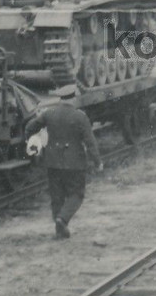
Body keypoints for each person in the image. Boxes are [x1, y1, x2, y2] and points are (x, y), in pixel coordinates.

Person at [25, 86, 103, 239]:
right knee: (76, 194)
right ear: (73, 98)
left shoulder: (49, 113)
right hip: (74, 163)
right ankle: (63, 219)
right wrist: (97, 161)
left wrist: (32, 141)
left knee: (57, 196)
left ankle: (59, 230)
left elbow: (30, 127)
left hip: (53, 162)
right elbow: (90, 142)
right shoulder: (80, 116)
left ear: (60, 99)